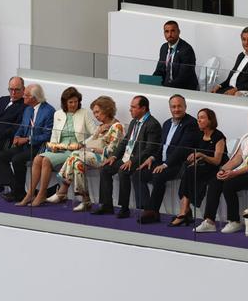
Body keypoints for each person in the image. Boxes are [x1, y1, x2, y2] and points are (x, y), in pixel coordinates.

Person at [18, 86, 97, 206]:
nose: (74, 104)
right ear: (65, 102)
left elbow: (94, 133)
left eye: (76, 102)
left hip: (75, 149)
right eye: (71, 102)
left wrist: (83, 144)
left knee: (46, 160)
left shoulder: (84, 113)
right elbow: (54, 135)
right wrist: (53, 146)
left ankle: (42, 194)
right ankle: (30, 193)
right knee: (38, 158)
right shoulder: (58, 114)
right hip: (59, 147)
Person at [132, 94, 198, 225]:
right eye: (173, 107)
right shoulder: (167, 124)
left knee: (158, 176)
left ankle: (152, 211)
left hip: (178, 164)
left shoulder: (191, 123)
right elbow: (161, 146)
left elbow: (182, 149)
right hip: (161, 161)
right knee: (138, 174)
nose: (176, 109)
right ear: (170, 108)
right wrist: (151, 158)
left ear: (185, 107)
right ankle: (147, 209)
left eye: (179, 106)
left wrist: (166, 164)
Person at [93, 96, 161, 218]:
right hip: (126, 157)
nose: (130, 110)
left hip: (140, 160)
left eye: (133, 107)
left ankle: (124, 208)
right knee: (105, 169)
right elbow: (125, 142)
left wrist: (132, 161)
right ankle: (107, 205)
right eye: (130, 107)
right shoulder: (134, 122)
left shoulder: (152, 124)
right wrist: (114, 156)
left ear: (143, 108)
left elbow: (150, 149)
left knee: (123, 171)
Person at [0, 84, 54, 201]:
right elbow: (21, 127)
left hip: (39, 147)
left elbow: (48, 135)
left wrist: (27, 139)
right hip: (24, 145)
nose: (23, 97)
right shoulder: (28, 109)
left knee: (17, 159)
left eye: (26, 95)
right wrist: (17, 136)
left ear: (34, 98)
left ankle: (19, 193)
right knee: (0, 157)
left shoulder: (49, 111)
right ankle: (16, 189)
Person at [169, 108, 226, 226]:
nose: (199, 120)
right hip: (201, 167)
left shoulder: (218, 136)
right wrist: (195, 158)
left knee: (190, 172)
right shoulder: (199, 135)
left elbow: (217, 161)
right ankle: (184, 211)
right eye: (198, 117)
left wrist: (201, 156)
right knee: (187, 168)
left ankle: (184, 212)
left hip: (216, 169)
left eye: (202, 117)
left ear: (210, 120)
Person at [211, 26, 248, 95]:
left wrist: (236, 89)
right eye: (244, 39)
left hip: (240, 93)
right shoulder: (241, 55)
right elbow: (231, 78)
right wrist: (219, 86)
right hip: (228, 89)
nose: (246, 43)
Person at [151, 20, 198, 90]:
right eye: (166, 31)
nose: (169, 34)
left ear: (178, 32)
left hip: (185, 89)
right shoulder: (164, 47)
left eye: (172, 31)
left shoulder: (186, 49)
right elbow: (160, 70)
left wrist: (166, 87)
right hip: (167, 87)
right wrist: (151, 81)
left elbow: (184, 76)